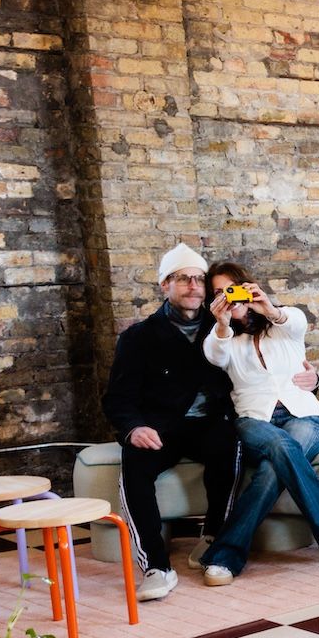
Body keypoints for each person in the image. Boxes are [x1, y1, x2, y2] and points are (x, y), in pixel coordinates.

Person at [196, 262, 319, 585]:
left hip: (303, 416)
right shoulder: (221, 338)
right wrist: (222, 323)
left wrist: (268, 308)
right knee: (279, 444)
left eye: (233, 289)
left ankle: (222, 558)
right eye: (219, 293)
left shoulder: (283, 324)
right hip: (254, 421)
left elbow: (297, 321)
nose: (229, 297)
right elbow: (215, 355)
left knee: (272, 469)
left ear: (247, 287)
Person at [102, 244, 244, 601]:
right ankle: (156, 566)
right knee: (134, 462)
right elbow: (117, 398)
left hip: (211, 422)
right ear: (164, 285)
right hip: (160, 426)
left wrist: (311, 379)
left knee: (229, 442)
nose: (193, 286)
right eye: (183, 279)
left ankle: (213, 536)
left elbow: (273, 359)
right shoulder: (138, 337)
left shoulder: (225, 326)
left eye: (198, 279)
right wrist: (134, 428)